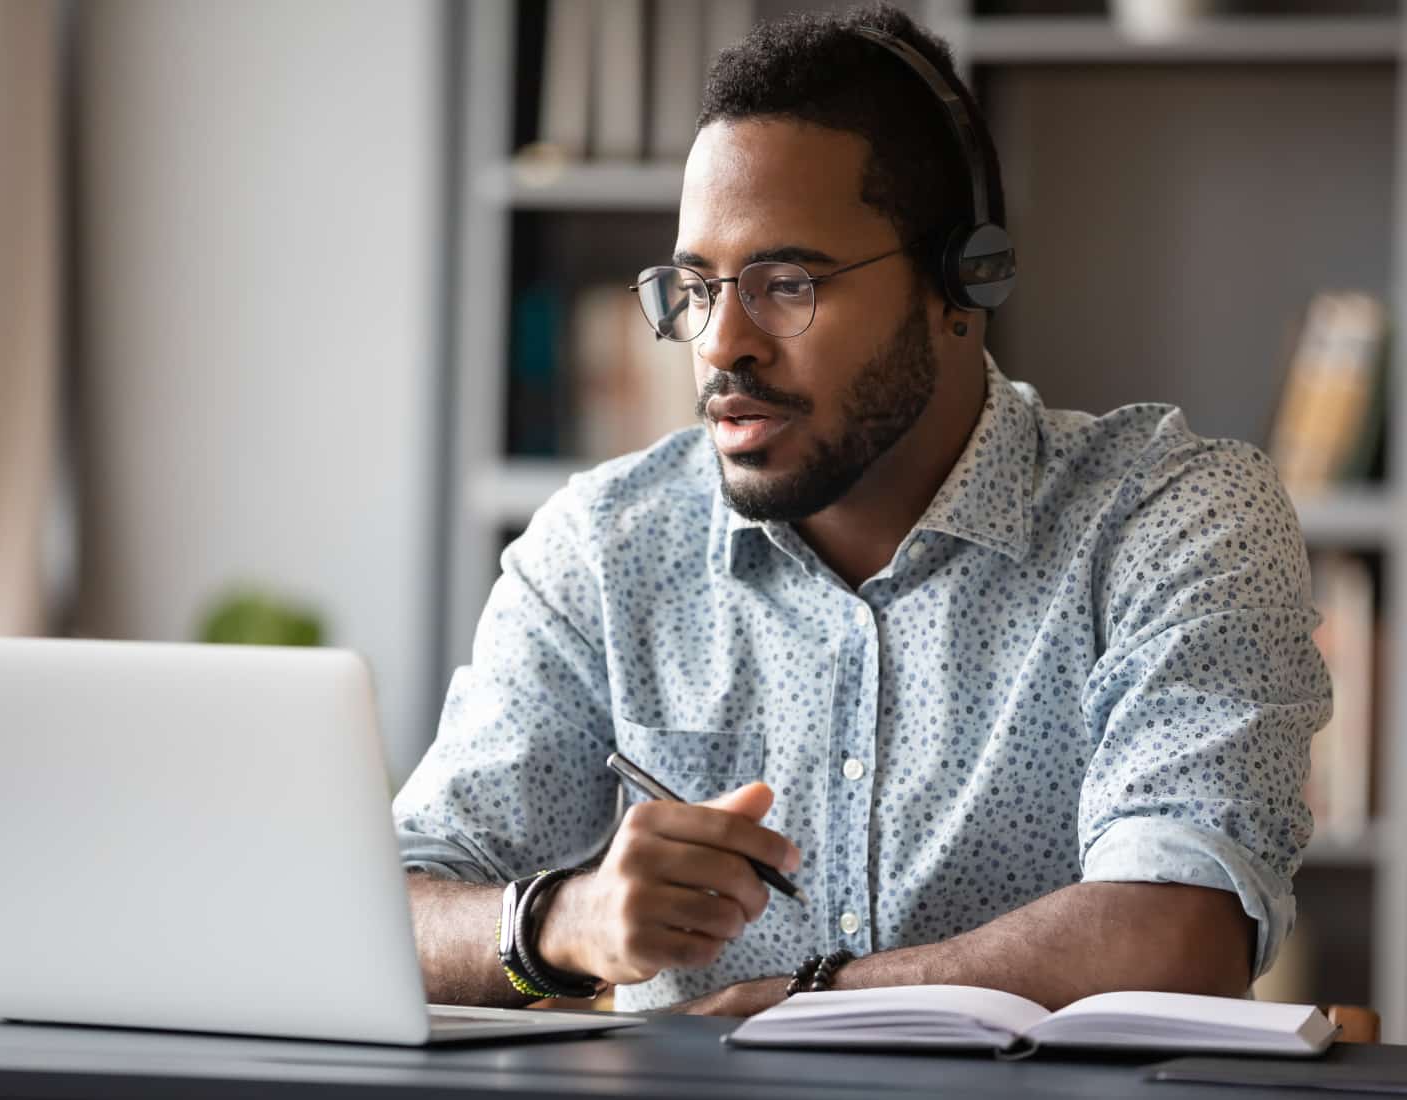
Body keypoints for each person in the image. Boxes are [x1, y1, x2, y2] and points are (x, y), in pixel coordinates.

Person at [393, 2, 1329, 1017]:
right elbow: (389, 908)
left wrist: (813, 996)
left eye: (786, 281)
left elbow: (1177, 933)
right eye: (697, 287)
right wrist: (560, 921)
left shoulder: (1170, 516)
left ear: (964, 281)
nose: (720, 343)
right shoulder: (607, 546)